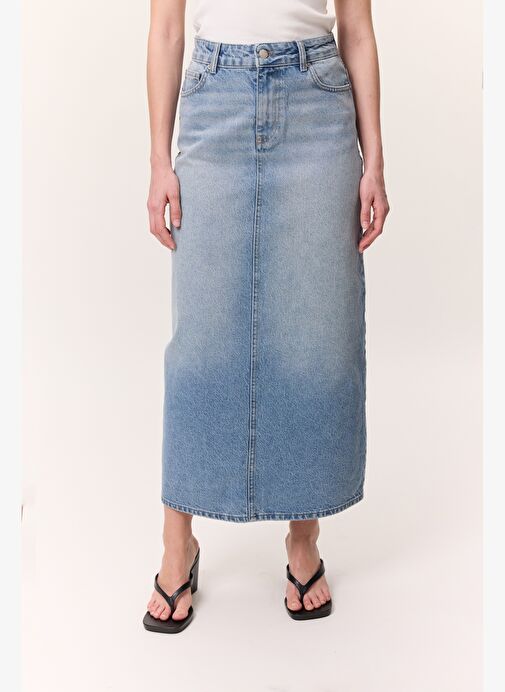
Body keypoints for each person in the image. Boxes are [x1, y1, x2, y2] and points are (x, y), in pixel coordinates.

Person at [143, 0, 389, 633]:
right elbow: (166, 29)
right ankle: (177, 543)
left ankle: (303, 539)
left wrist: (375, 162)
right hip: (214, 100)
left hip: (316, 104)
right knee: (200, 344)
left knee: (315, 334)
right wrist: (158, 161)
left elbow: (357, 30)